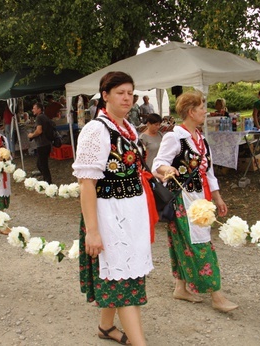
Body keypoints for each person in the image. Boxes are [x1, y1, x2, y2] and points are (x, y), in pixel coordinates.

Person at [73, 71, 155, 346]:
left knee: (122, 273)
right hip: (108, 215)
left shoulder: (128, 128)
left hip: (131, 213)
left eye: (131, 93)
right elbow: (87, 184)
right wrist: (92, 232)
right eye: (120, 92)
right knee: (123, 281)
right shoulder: (96, 130)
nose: (127, 98)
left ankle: (106, 327)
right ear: (105, 96)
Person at [152, 90, 238, 312]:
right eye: (202, 107)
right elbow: (157, 163)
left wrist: (218, 198)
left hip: (199, 199)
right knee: (200, 244)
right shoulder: (175, 137)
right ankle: (216, 295)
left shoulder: (201, 140)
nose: (205, 111)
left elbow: (209, 173)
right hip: (181, 200)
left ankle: (180, 288)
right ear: (191, 111)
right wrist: (166, 168)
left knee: (183, 241)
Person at [28, 102, 53, 184]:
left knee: (43, 164)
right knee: (40, 164)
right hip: (47, 143)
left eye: (34, 108)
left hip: (42, 144)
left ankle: (48, 181)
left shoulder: (39, 118)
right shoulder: (45, 117)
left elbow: (39, 130)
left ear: (39, 109)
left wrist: (32, 135)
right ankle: (46, 179)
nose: (33, 110)